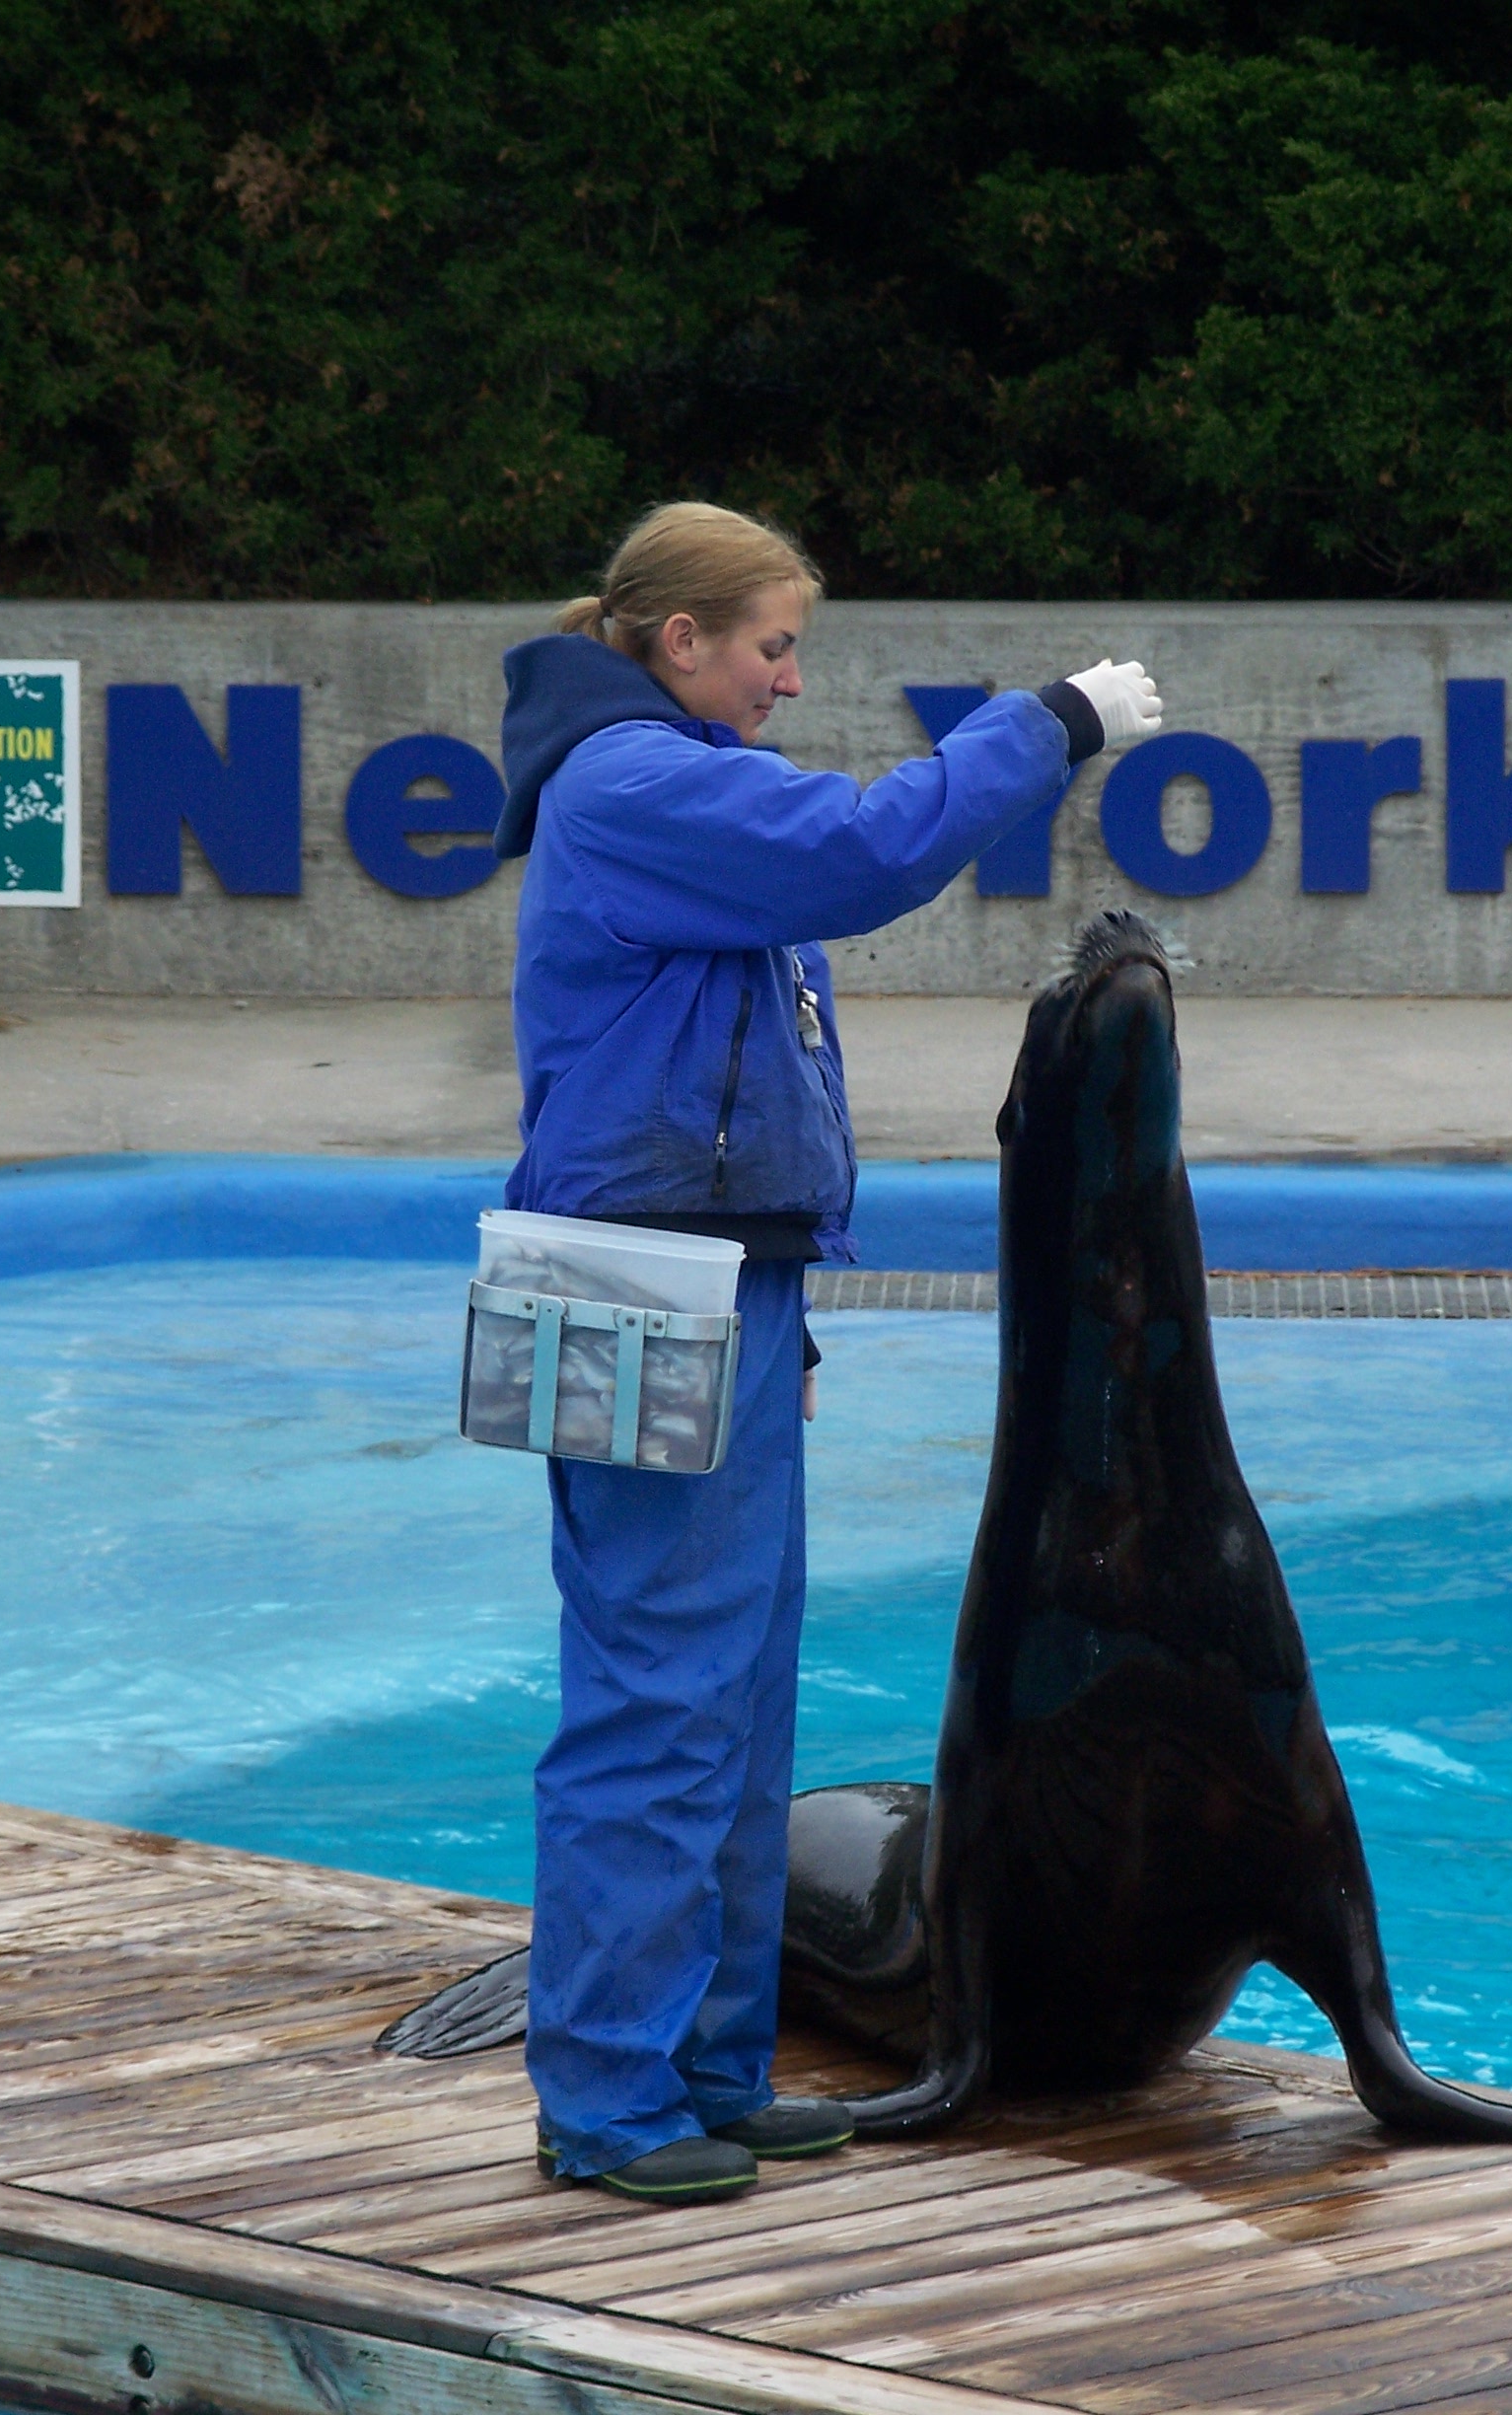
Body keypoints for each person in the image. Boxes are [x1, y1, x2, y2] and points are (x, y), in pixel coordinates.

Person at [493, 501, 1162, 2203]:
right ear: (678, 640)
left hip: (716, 1280)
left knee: (734, 1698)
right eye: (770, 646)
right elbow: (872, 851)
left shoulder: (679, 781)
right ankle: (609, 2100)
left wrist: (784, 1303)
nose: (788, 680)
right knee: (658, 1703)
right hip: (635, 1284)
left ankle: (710, 2071)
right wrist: (1049, 723)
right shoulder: (631, 783)